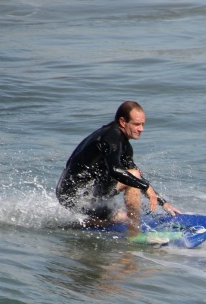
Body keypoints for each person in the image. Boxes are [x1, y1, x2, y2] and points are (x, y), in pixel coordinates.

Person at [56, 101, 181, 235]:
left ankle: (71, 226)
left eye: (143, 124)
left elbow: (131, 176)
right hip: (75, 196)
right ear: (122, 122)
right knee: (134, 178)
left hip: (86, 193)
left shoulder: (123, 143)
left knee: (122, 217)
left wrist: (164, 203)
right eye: (137, 124)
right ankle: (134, 234)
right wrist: (145, 186)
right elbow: (115, 171)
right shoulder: (110, 137)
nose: (141, 129)